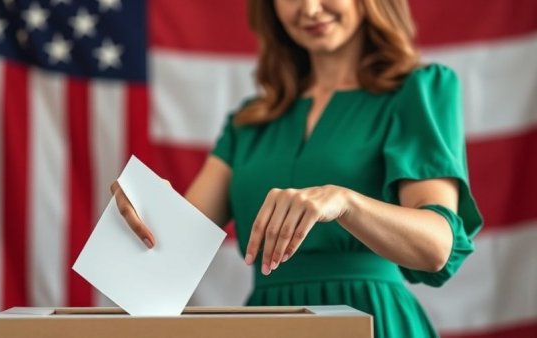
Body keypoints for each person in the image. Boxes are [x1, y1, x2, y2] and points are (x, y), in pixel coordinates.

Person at [110, 0, 483, 336]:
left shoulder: (418, 90)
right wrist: (145, 210)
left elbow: (437, 247)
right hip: (269, 323)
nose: (309, 8)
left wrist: (346, 203)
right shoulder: (249, 122)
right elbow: (170, 252)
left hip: (370, 319)